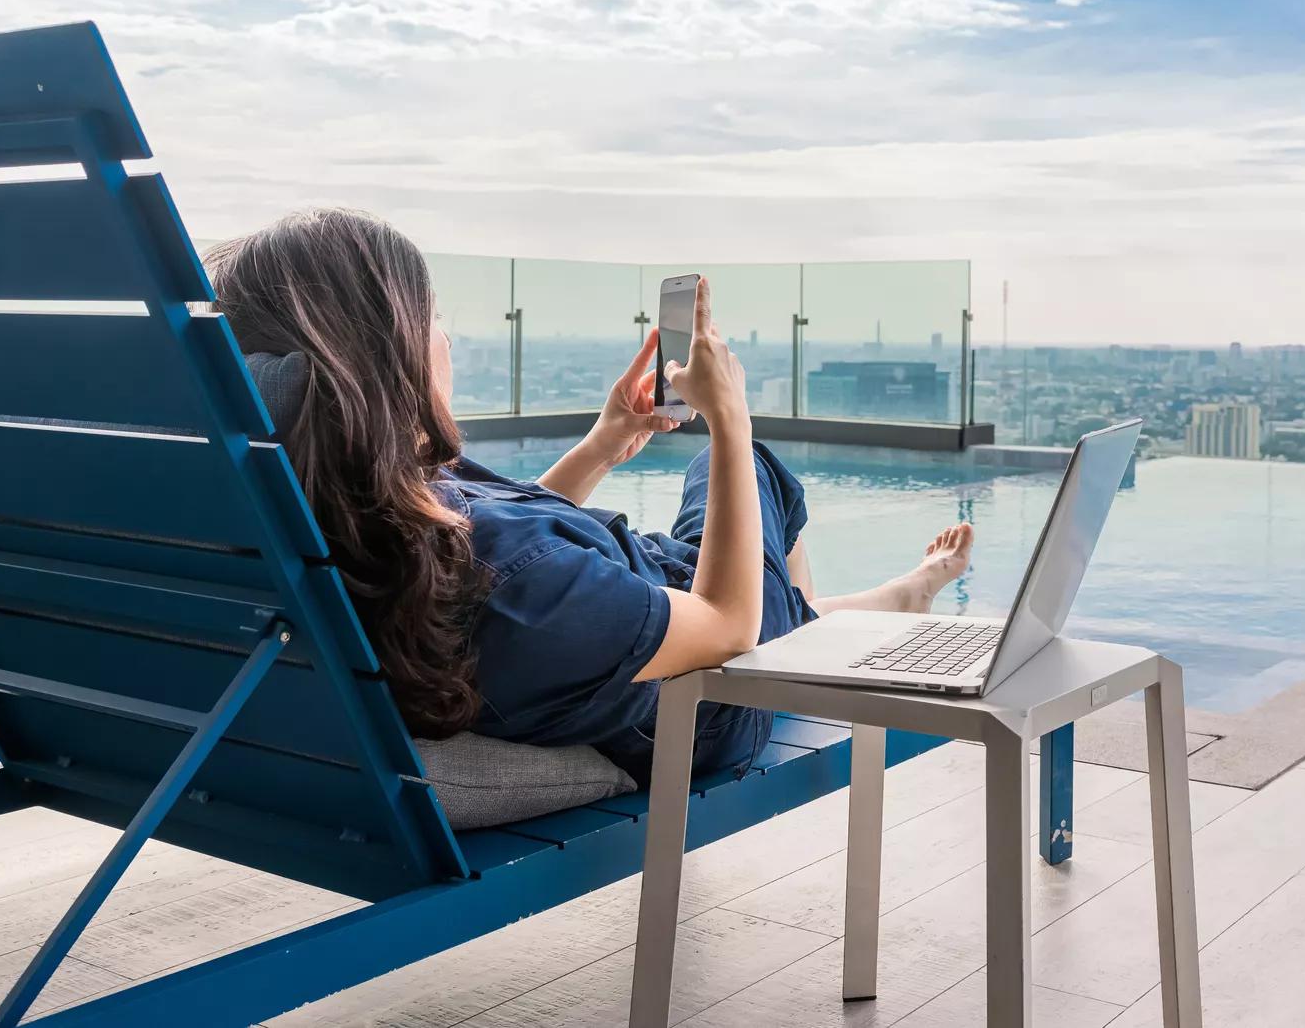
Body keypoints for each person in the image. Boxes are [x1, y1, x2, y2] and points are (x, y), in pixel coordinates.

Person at [204, 208, 974, 785]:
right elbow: (728, 625)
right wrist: (730, 419)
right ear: (388, 352)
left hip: (636, 607)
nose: (446, 337)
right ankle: (833, 630)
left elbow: (488, 553)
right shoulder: (521, 589)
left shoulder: (345, 502)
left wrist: (603, 445)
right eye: (433, 319)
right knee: (749, 470)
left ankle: (873, 603)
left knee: (731, 493)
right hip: (709, 695)